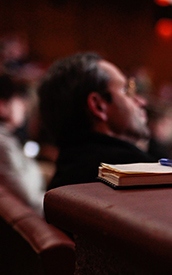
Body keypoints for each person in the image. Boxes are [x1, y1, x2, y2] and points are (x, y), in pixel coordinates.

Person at [38, 52, 158, 189]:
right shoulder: (137, 175)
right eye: (126, 90)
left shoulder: (65, 177)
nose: (141, 101)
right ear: (98, 106)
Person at [0, 75, 45, 215]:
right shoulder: (2, 144)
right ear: (2, 105)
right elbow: (31, 198)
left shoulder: (7, 138)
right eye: (19, 100)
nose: (24, 108)